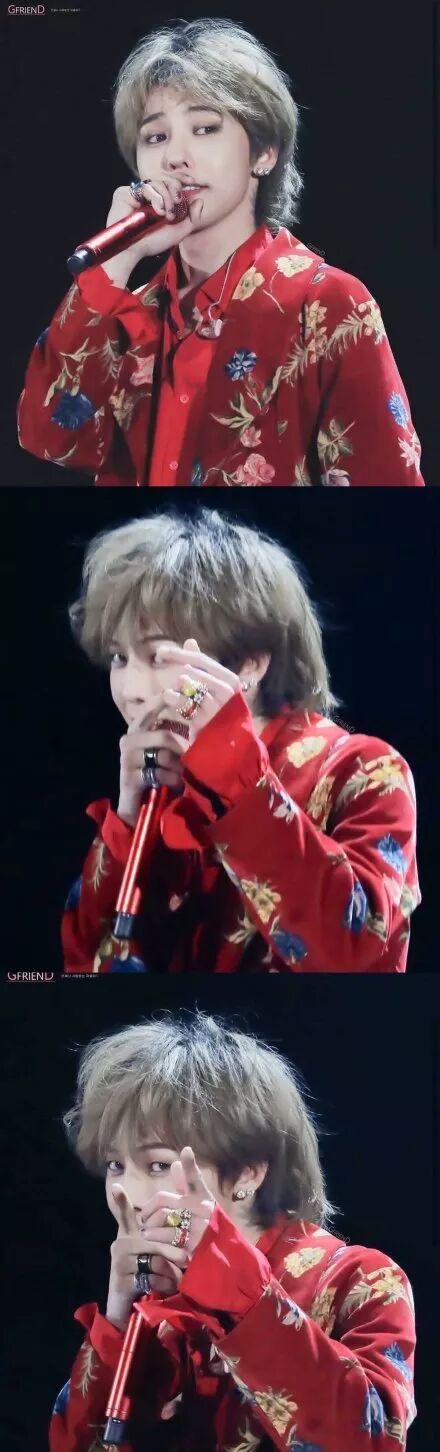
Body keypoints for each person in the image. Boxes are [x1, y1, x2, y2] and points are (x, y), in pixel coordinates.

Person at [17, 18, 423, 487]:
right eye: (155, 137)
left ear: (264, 152)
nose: (175, 157)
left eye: (205, 128)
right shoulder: (129, 312)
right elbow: (50, 437)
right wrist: (116, 263)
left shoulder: (327, 304)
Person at [62, 508, 420, 974]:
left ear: (250, 662)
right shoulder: (162, 784)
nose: (130, 689)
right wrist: (128, 823)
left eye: (158, 656)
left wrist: (239, 782)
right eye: (119, 658)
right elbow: (81, 969)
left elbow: (357, 959)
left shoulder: (365, 769)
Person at [50, 1012, 417, 1452]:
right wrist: (116, 1325)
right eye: (116, 1165)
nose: (127, 1192)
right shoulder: (155, 1304)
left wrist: (245, 1297)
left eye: (158, 1165)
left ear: (248, 1171)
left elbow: (373, 1442)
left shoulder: (360, 1280)